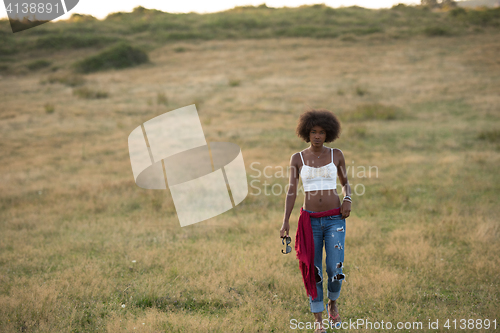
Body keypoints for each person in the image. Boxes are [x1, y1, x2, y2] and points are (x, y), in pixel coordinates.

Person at [280, 109, 351, 333]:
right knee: (314, 271)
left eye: (321, 132)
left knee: (334, 267)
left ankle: (333, 302)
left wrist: (347, 198)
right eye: (313, 132)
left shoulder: (336, 154)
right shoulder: (297, 158)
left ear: (328, 133)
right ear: (306, 133)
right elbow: (291, 190)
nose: (317, 136)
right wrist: (285, 222)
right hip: (309, 221)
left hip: (334, 219)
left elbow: (345, 182)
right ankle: (319, 322)